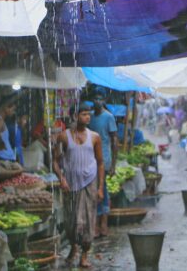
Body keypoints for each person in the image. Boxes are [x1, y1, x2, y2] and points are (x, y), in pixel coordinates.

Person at [53, 103, 104, 268]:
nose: (87, 117)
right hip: (71, 184)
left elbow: (101, 162)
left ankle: (84, 255)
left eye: (88, 114)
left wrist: (101, 187)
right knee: (72, 221)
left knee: (88, 220)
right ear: (75, 117)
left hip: (90, 182)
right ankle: (73, 247)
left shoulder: (95, 137)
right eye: (83, 114)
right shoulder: (63, 136)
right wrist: (61, 178)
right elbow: (55, 161)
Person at [88, 87, 118, 237]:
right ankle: (95, 222)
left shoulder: (109, 117)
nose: (97, 101)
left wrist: (113, 164)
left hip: (104, 159)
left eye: (100, 99)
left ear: (104, 100)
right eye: (95, 98)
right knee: (93, 191)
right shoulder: (90, 117)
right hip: (90, 159)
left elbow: (114, 141)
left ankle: (103, 222)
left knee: (102, 189)